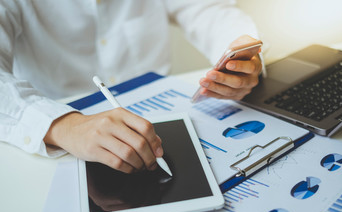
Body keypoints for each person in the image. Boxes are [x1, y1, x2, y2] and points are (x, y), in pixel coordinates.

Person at [0, 0, 262, 174]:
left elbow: (207, 10)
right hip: (58, 143)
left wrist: (238, 53)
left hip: (163, 115)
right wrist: (61, 125)